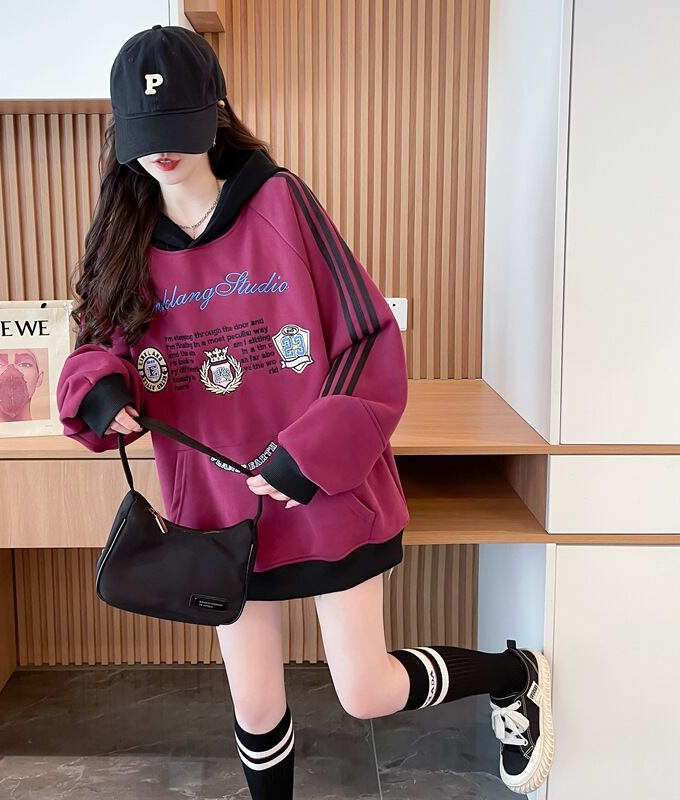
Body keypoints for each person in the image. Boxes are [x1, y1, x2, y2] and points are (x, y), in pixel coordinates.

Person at [56, 24, 554, 799]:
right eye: (147, 134)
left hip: (321, 491)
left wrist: (310, 451)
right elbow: (97, 345)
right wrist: (99, 390)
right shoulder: (122, 240)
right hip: (217, 508)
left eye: (178, 127)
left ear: (214, 113)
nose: (164, 152)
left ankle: (515, 674)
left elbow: (367, 336)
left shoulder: (279, 203)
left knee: (366, 690)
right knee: (254, 704)